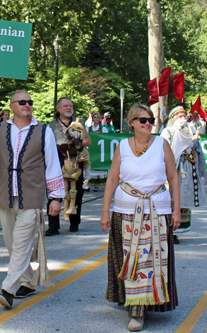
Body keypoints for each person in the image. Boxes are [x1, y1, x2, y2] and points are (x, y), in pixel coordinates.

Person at [0, 91, 64, 309]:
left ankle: (8, 289)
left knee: (22, 243)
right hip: (6, 194)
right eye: (22, 102)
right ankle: (27, 281)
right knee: (12, 244)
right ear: (12, 106)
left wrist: (55, 198)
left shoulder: (43, 131)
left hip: (32, 195)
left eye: (30, 102)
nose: (27, 105)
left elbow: (52, 164)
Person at [101, 103, 180, 332]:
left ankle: (140, 308)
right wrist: (105, 211)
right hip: (125, 209)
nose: (148, 124)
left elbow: (173, 177)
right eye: (143, 120)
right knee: (129, 257)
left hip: (158, 208)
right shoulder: (123, 147)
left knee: (152, 258)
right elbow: (112, 180)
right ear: (132, 122)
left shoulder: (162, 145)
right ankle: (134, 303)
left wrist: (176, 209)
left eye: (151, 120)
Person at [160, 106, 206, 243]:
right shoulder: (167, 132)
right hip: (172, 169)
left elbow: (193, 150)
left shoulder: (189, 130)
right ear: (174, 118)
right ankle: (167, 231)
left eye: (184, 116)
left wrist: (194, 141)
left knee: (183, 198)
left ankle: (176, 230)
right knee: (170, 200)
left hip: (186, 169)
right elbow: (164, 151)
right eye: (180, 116)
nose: (183, 119)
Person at [48, 97, 91, 234]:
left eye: (70, 105)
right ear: (58, 108)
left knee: (75, 192)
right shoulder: (51, 125)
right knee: (53, 192)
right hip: (57, 160)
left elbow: (88, 141)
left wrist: (76, 144)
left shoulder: (79, 122)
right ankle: (53, 226)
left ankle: (74, 223)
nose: (68, 108)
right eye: (65, 105)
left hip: (75, 161)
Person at [86, 111, 108, 192]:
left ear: (100, 119)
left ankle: (96, 185)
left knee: (97, 168)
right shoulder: (88, 129)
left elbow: (107, 139)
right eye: (94, 117)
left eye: (97, 117)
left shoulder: (104, 129)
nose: (96, 119)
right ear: (92, 118)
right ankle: (87, 184)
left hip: (99, 151)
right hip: (91, 151)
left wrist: (100, 135)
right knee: (89, 168)